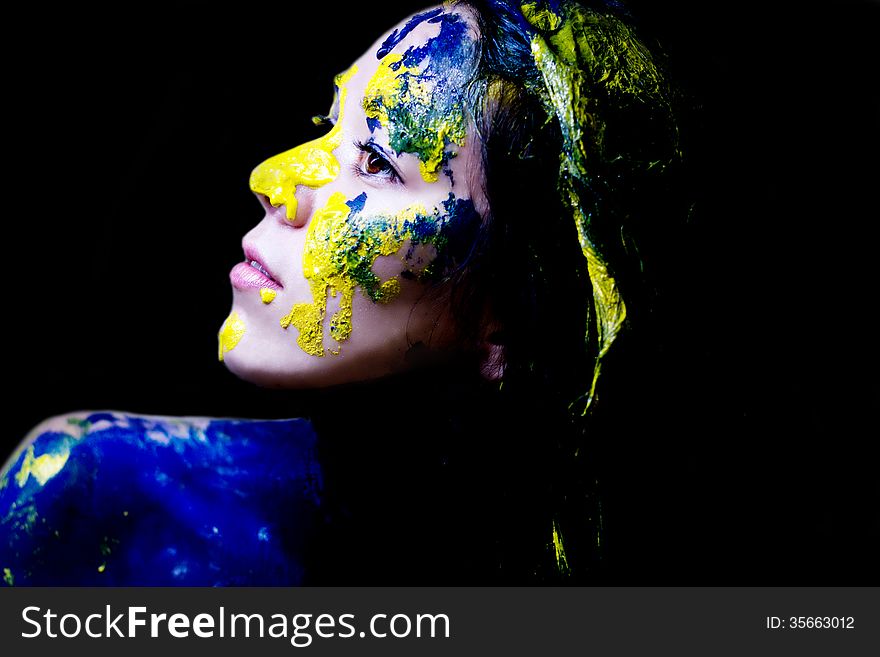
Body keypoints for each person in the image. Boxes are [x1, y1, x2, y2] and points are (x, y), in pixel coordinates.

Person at [0, 0, 680, 585]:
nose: (272, 176)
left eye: (377, 162)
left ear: (515, 313)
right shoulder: (89, 497)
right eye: (327, 123)